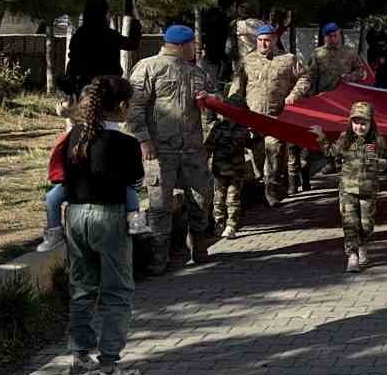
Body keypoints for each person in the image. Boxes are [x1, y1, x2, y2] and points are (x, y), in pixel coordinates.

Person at [59, 75, 145, 375]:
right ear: (121, 107)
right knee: (117, 290)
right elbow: (134, 182)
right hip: (109, 216)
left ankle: (80, 359)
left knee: (81, 287)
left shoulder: (76, 136)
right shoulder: (124, 143)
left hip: (76, 215)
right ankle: (109, 367)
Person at [128, 25, 214, 274]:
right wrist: (144, 140)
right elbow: (134, 107)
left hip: (192, 150)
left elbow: (212, 104)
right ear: (180, 45)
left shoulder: (196, 72)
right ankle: (159, 259)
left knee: (201, 199)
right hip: (159, 150)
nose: (195, 49)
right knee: (159, 206)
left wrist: (207, 100)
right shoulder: (149, 67)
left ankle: (200, 249)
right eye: (192, 45)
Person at [315, 101, 387, 273]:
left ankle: (363, 246)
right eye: (356, 122)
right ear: (351, 123)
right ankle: (352, 255)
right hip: (347, 190)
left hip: (368, 190)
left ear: (370, 123)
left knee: (366, 225)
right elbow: (331, 152)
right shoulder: (345, 138)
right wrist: (321, 136)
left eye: (363, 123)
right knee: (350, 224)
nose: (359, 127)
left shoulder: (376, 141)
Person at [230, 24, 312, 206]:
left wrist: (294, 95)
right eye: (260, 41)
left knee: (274, 152)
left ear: (274, 39)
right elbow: (237, 87)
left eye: (267, 40)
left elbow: (305, 78)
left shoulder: (288, 59)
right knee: (258, 156)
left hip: (277, 117)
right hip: (254, 118)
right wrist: (232, 107)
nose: (263, 44)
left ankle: (272, 190)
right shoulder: (247, 61)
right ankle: (263, 183)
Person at [37, 127, 146, 253]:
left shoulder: (76, 134)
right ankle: (55, 230)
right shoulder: (121, 138)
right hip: (84, 187)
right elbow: (136, 179)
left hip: (84, 191)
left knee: (52, 198)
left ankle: (134, 218)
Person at [62, 0, 141, 100]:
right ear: (104, 13)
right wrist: (134, 16)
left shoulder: (79, 34)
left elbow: (73, 63)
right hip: (107, 90)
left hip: (82, 89)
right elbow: (133, 44)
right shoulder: (110, 35)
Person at [205, 97, 255, 240]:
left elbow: (251, 144)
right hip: (219, 170)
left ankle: (231, 225)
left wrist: (256, 134)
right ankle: (218, 224)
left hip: (236, 170)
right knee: (218, 199)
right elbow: (208, 146)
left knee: (233, 198)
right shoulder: (218, 127)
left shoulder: (243, 128)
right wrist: (203, 162)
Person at [312, 23, 367, 93]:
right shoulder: (317, 53)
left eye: (335, 35)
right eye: (329, 36)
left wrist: (350, 76)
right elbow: (310, 75)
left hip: (344, 95)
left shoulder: (350, 52)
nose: (333, 39)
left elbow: (361, 70)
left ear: (339, 35)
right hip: (324, 95)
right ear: (325, 37)